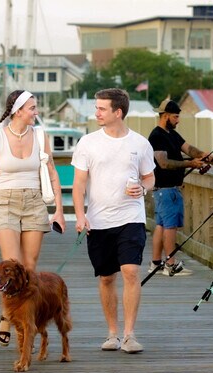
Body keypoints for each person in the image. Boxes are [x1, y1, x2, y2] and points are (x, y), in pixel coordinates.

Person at [0, 89, 66, 347]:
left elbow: (52, 173)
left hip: (34, 202)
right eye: (32, 108)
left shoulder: (40, 136)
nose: (36, 112)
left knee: (28, 268)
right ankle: (7, 317)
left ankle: (24, 317)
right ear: (18, 111)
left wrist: (59, 210)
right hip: (5, 201)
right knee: (11, 263)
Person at [71, 88, 155, 354]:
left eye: (102, 108)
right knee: (107, 278)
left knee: (131, 271)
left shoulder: (140, 143)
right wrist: (80, 216)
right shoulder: (87, 143)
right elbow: (78, 184)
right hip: (98, 220)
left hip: (131, 217)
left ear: (118, 112)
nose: (96, 112)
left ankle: (130, 335)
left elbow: (150, 178)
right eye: (96, 108)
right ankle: (112, 333)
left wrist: (142, 189)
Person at [148, 99, 212, 276]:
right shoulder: (156, 136)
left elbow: (188, 148)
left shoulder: (172, 134)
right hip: (167, 190)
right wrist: (190, 163)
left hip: (166, 191)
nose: (178, 120)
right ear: (166, 116)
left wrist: (202, 155)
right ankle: (170, 264)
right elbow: (163, 163)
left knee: (161, 226)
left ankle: (155, 264)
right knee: (170, 227)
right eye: (176, 117)